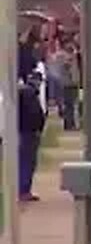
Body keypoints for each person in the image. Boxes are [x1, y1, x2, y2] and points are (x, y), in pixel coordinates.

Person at [18, 70, 46, 202]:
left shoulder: (24, 92)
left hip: (24, 132)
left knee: (25, 162)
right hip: (29, 133)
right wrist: (38, 128)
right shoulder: (30, 94)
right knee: (27, 162)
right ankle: (24, 191)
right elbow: (34, 115)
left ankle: (23, 190)